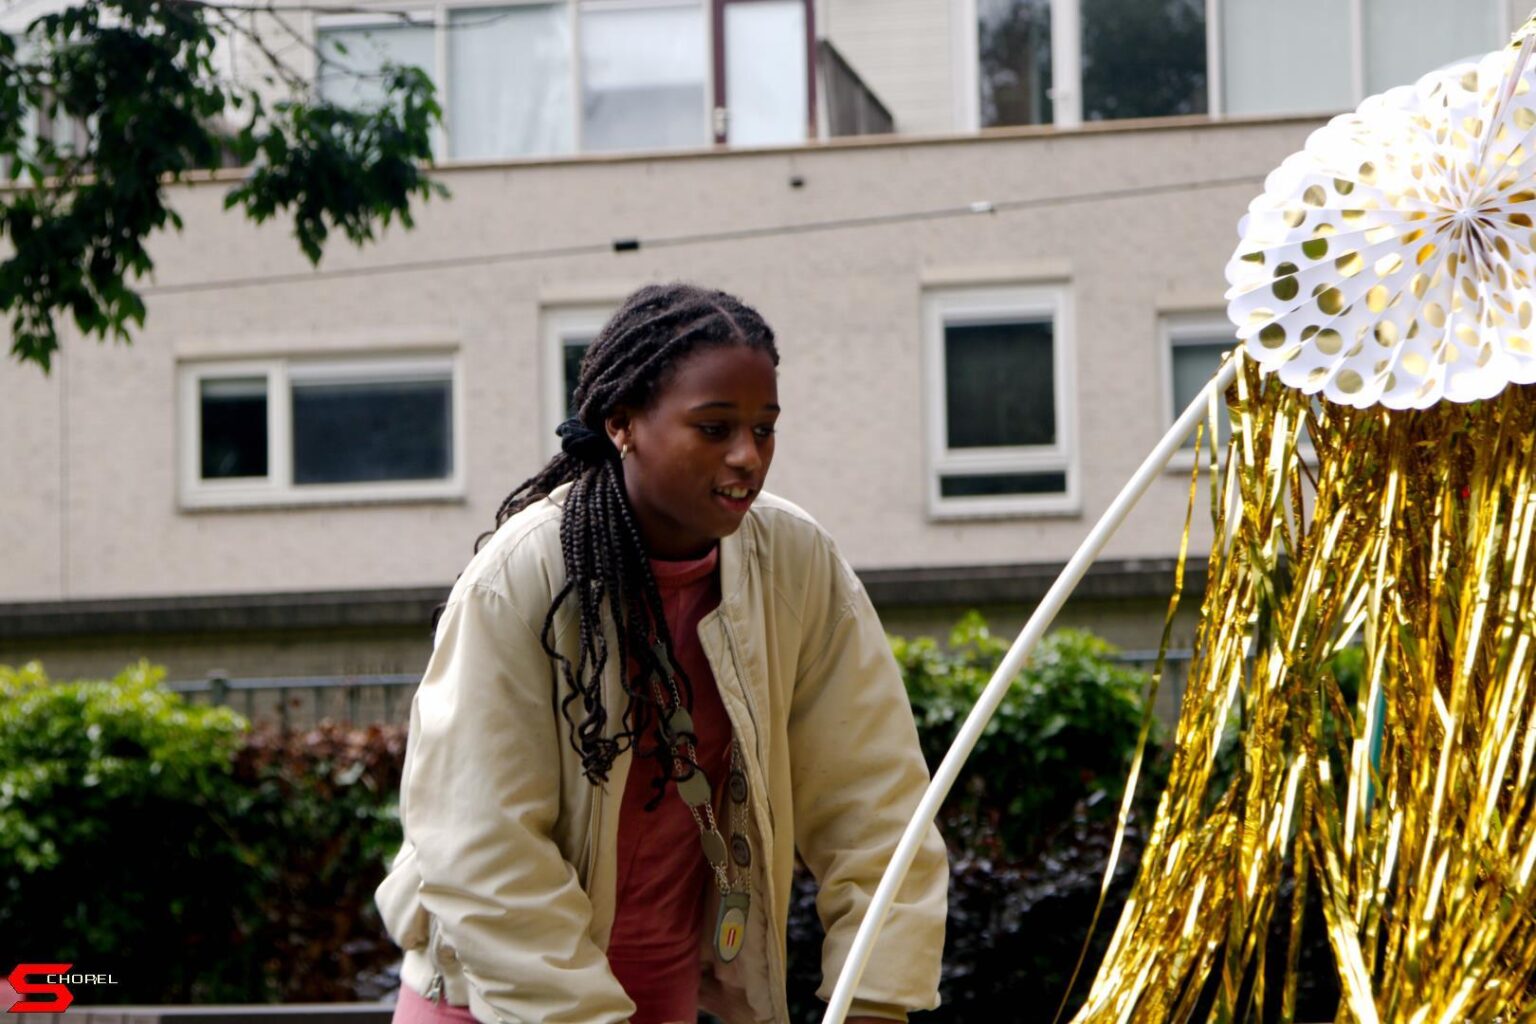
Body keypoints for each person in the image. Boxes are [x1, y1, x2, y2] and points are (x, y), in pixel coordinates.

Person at [376, 282, 949, 1024]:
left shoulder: (796, 563)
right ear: (621, 423)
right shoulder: (521, 579)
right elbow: (483, 846)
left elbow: (876, 800)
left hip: (667, 993)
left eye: (765, 429)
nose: (748, 456)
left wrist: (875, 998)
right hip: (495, 1002)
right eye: (714, 429)